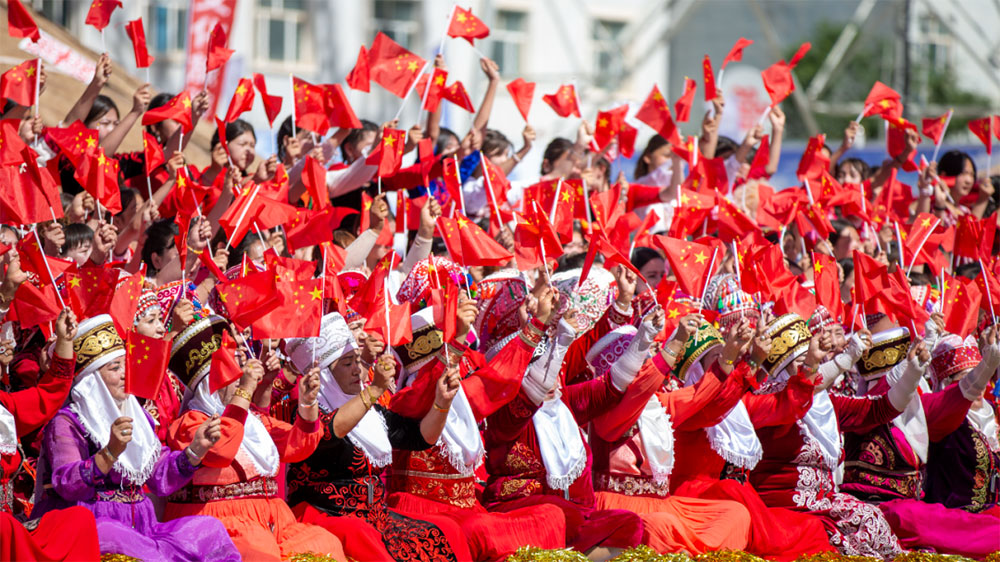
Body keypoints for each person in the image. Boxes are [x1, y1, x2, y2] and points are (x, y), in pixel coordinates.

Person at [33, 314, 239, 561]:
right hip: (95, 524)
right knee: (115, 536)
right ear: (92, 380)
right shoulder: (68, 422)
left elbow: (158, 476)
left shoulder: (137, 415)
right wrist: (109, 453)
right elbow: (66, 483)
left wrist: (195, 450)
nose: (124, 374)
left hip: (143, 527)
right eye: (114, 368)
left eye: (124, 365)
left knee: (209, 530)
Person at [282, 312, 470, 561]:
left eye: (357, 361)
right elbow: (329, 433)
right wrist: (375, 389)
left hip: (374, 514)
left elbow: (420, 437)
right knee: (365, 539)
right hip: (327, 514)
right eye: (347, 363)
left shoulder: (371, 411)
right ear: (325, 374)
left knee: (447, 531)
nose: (357, 371)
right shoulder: (306, 414)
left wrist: (442, 403)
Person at [164, 316, 346, 561]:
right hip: (217, 524)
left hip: (274, 521)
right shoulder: (190, 422)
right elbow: (221, 450)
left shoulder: (253, 422)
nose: (240, 381)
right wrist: (246, 391)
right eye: (234, 377)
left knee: (325, 544)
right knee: (260, 551)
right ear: (210, 384)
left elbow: (298, 446)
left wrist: (308, 402)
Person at [0, 308, 100, 562]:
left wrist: (65, 341)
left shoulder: (4, 407)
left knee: (78, 520)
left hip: (9, 524)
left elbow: (49, 394)